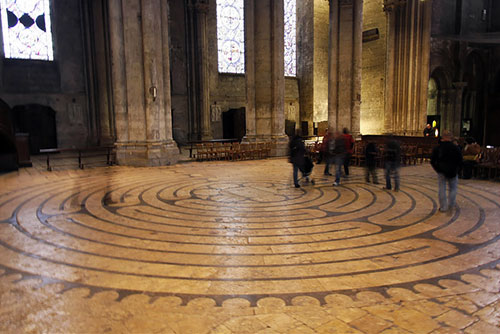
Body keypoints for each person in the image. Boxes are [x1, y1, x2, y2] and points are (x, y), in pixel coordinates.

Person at [431, 130, 463, 212]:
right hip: (453, 171)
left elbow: (432, 160)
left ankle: (443, 207)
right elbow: (460, 160)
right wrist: (458, 170)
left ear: (442, 137)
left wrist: (437, 169)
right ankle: (451, 205)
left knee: (442, 189)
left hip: (441, 170)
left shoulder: (438, 148)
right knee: (453, 189)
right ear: (451, 137)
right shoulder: (456, 148)